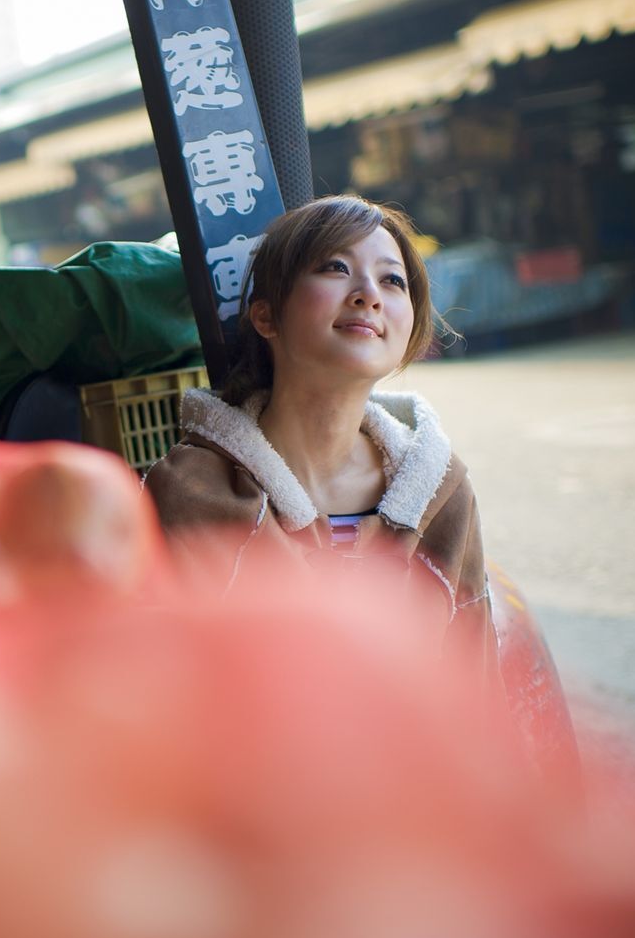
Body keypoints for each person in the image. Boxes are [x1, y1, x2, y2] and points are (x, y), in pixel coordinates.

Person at [145, 195, 496, 678]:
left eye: (392, 280)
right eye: (335, 267)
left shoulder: (446, 494)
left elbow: (477, 688)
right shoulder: (191, 490)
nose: (369, 294)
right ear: (266, 316)